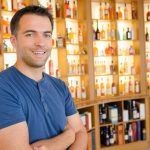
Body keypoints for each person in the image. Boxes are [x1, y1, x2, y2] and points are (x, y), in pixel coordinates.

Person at [0, 5, 87, 150]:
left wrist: (51, 145)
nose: (40, 42)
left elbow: (81, 132)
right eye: (30, 34)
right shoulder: (3, 87)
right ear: (14, 41)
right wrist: (68, 136)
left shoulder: (60, 86)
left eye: (46, 35)